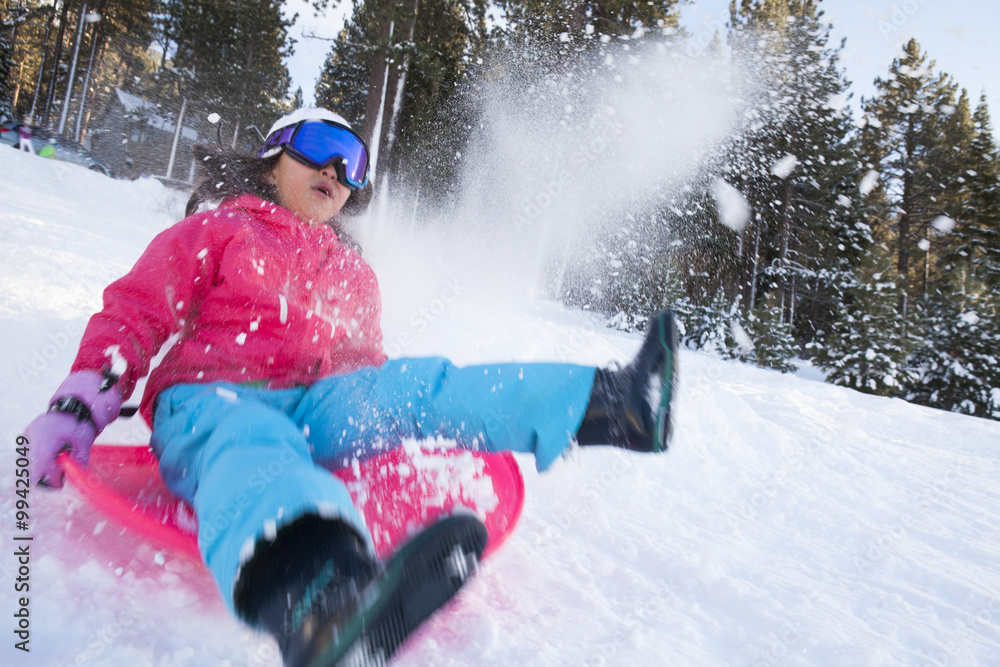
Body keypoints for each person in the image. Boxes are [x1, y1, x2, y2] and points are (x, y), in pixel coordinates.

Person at [23, 107, 678, 667]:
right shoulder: (218, 231)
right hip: (211, 398)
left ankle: (618, 406)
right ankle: (317, 600)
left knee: (415, 383)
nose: (336, 173)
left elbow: (366, 365)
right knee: (250, 443)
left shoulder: (353, 272)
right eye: (320, 151)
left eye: (353, 165)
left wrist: (383, 408)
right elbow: (137, 314)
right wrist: (80, 405)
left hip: (318, 406)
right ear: (272, 156)